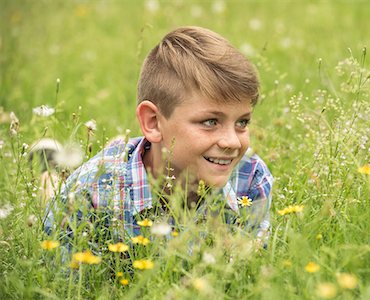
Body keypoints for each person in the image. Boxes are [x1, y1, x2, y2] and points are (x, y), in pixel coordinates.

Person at [44, 26, 273, 245]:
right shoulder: (90, 193)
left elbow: (251, 269)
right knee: (51, 195)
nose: (232, 142)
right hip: (99, 180)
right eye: (210, 122)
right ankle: (50, 178)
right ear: (153, 122)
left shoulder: (250, 177)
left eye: (242, 122)